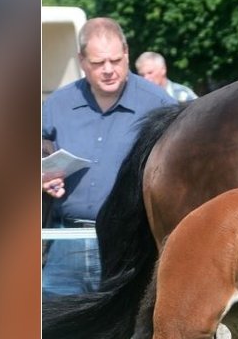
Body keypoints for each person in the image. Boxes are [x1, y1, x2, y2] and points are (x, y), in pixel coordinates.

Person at [41, 19, 174, 296]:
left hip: (128, 244)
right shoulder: (57, 104)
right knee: (55, 333)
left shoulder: (159, 104)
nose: (109, 70)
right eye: (98, 63)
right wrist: (43, 176)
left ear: (126, 53)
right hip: (66, 243)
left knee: (123, 335)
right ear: (81, 61)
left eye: (115, 60)